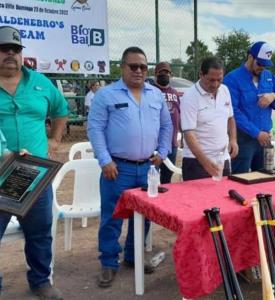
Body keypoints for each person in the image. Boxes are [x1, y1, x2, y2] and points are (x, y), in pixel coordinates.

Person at [87, 46, 172, 288]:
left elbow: (167, 126)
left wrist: (163, 152)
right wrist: (104, 160)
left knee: (143, 216)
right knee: (112, 217)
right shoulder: (106, 94)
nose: (138, 70)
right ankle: (109, 263)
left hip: (147, 168)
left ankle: (133, 257)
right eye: (133, 66)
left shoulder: (156, 95)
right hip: (117, 168)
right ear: (122, 67)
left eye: (143, 67)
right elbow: (95, 128)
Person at [0, 26, 68, 299]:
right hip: (0, 175)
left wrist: (55, 140)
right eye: (4, 49)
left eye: (16, 50)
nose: (11, 54)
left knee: (40, 232)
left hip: (35, 175)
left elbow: (61, 110)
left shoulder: (41, 82)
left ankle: (41, 281)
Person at [223, 41, 275, 173]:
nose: (262, 67)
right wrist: (256, 133)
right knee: (240, 177)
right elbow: (233, 112)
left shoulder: (269, 76)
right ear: (250, 57)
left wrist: (273, 96)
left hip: (266, 138)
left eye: (265, 65)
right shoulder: (232, 79)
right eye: (260, 63)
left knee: (266, 176)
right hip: (243, 138)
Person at [180, 57, 238, 180]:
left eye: (219, 80)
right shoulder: (190, 97)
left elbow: (230, 118)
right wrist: (205, 162)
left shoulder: (225, 90)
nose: (215, 84)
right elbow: (189, 134)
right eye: (211, 80)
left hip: (223, 159)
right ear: (201, 74)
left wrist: (233, 140)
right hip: (196, 162)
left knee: (224, 198)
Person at [153, 61, 181, 183]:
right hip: (155, 144)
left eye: (167, 72)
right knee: (152, 176)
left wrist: (181, 135)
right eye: (161, 73)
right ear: (155, 74)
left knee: (167, 178)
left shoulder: (175, 93)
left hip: (172, 143)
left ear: (171, 74)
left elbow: (179, 114)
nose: (164, 75)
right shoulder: (152, 92)